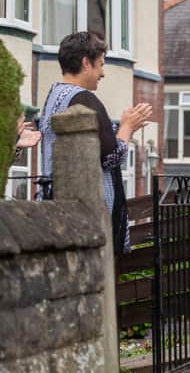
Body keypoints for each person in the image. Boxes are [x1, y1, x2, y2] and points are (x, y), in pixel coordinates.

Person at [39, 31, 152, 254]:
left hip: (55, 203)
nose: (103, 73)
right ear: (85, 63)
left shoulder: (53, 95)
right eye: (100, 64)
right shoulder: (84, 99)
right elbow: (111, 156)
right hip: (91, 210)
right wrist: (127, 128)